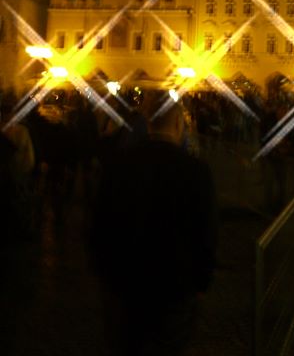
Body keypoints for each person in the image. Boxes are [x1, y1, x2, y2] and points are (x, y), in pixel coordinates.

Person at [90, 90, 218, 356]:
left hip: (127, 281)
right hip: (176, 283)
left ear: (149, 123)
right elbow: (206, 231)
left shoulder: (120, 165)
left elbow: (99, 223)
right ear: (178, 123)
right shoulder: (196, 171)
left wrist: (104, 273)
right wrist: (202, 280)